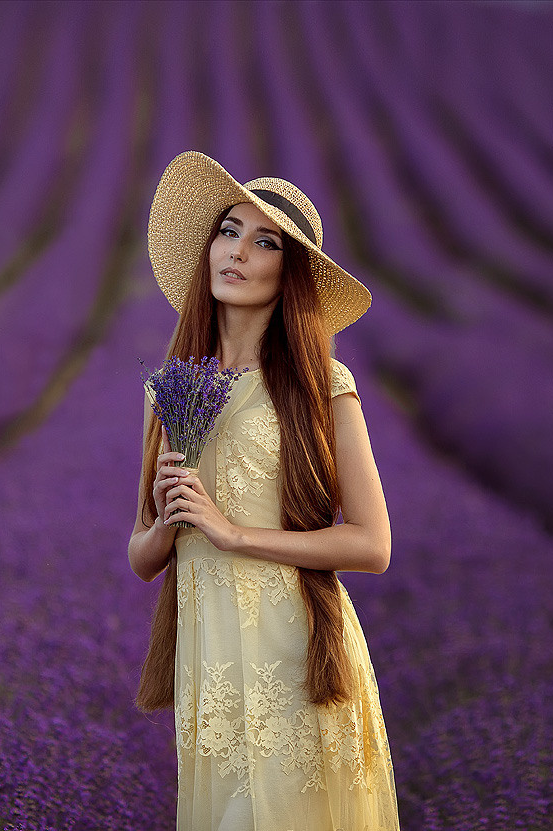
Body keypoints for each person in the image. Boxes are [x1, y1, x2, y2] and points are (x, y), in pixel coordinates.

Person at [127, 151, 400, 830]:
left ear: (289, 272)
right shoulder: (170, 389)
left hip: (294, 657)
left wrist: (232, 532)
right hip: (207, 664)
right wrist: (167, 521)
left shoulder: (320, 383)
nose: (237, 252)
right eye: (227, 231)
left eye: (264, 241)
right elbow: (139, 553)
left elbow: (371, 544)